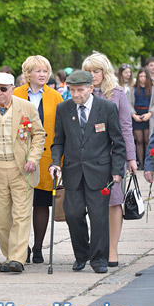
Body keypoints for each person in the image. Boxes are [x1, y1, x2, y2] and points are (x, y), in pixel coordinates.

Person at [50, 70, 126, 274]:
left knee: (99, 216)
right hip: (73, 171)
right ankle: (81, 255)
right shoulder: (63, 109)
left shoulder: (107, 108)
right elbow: (58, 141)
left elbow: (118, 142)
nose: (76, 94)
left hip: (100, 172)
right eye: (72, 90)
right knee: (73, 215)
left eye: (80, 90)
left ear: (91, 88)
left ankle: (99, 258)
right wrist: (55, 163)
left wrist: (118, 170)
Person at [0, 72, 45, 273]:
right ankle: (9, 255)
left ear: (12, 89)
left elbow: (38, 134)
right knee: (3, 219)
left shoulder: (27, 107)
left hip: (21, 168)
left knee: (21, 215)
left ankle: (17, 259)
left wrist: (33, 158)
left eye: (3, 89)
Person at [82, 52, 137, 267]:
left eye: (96, 71)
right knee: (93, 204)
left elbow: (125, 126)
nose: (93, 75)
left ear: (105, 72)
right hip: (88, 158)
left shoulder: (116, 93)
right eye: (89, 72)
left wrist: (131, 158)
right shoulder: (81, 93)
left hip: (113, 156)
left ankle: (112, 249)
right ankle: (98, 248)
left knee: (114, 201)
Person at [13, 56, 63, 264]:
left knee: (41, 203)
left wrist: (60, 160)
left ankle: (39, 247)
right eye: (38, 71)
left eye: (45, 71)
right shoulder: (16, 94)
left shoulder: (55, 97)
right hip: (20, 157)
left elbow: (60, 130)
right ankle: (21, 246)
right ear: (28, 74)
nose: (42, 74)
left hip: (46, 157)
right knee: (21, 204)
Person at [128, 68, 153, 169]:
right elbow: (128, 103)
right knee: (139, 140)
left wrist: (150, 113)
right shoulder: (133, 89)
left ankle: (148, 164)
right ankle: (141, 162)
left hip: (148, 115)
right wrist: (134, 115)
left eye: (144, 76)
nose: (142, 78)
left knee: (148, 140)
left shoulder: (152, 89)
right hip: (137, 114)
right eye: (140, 76)